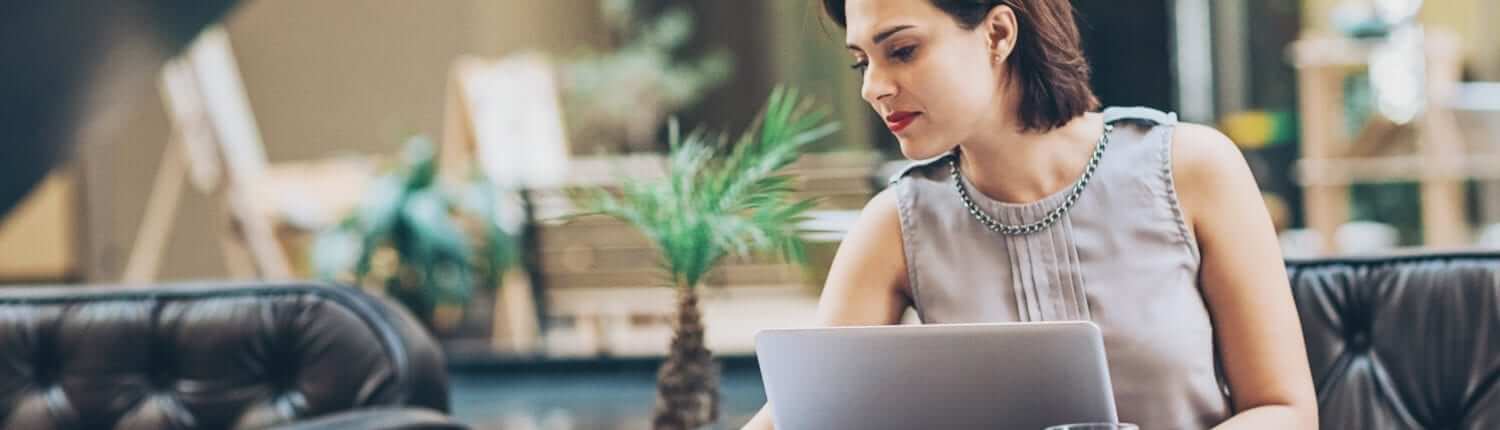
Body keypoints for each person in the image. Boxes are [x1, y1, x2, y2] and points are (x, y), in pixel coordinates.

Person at [742, 0, 1317, 428]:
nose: (874, 87)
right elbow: (797, 414)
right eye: (861, 62)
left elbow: (1285, 410)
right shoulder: (896, 223)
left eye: (903, 51)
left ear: (997, 33)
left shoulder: (1193, 168)